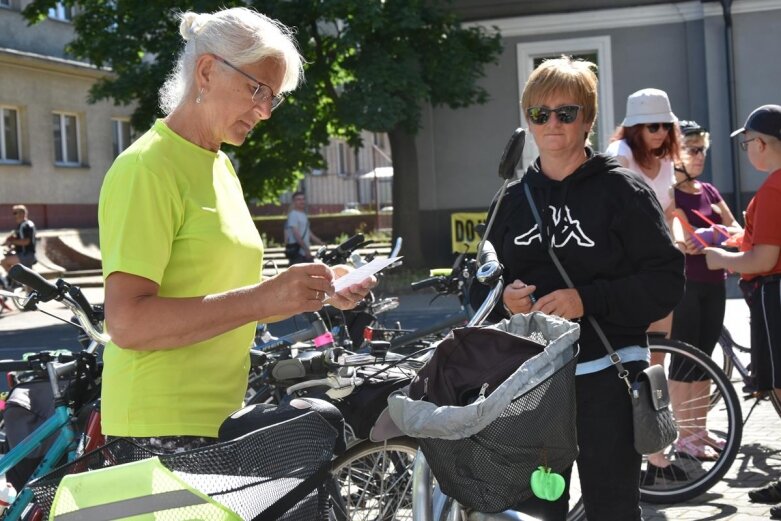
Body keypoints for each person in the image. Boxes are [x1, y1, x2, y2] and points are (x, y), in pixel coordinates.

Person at [98, 7, 374, 454]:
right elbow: (127, 323)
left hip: (219, 418)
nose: (265, 111)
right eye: (257, 89)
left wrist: (309, 292)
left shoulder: (220, 165)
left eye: (274, 96)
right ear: (206, 71)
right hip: (158, 427)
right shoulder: (146, 168)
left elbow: (230, 300)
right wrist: (263, 298)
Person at [481, 56, 684, 520]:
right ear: (528, 120)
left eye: (566, 112)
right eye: (540, 113)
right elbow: (478, 288)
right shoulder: (510, 202)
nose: (552, 123)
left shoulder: (624, 192)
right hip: (533, 384)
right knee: (534, 512)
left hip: (608, 377)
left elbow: (666, 281)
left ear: (588, 119)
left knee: (611, 508)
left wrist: (586, 299)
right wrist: (502, 301)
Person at [704, 104, 781, 515]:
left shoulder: (773, 188)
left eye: (748, 142)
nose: (748, 150)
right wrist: (738, 239)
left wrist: (721, 258)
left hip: (774, 297)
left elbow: (764, 261)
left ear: (764, 144)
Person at [606, 87, 686, 474]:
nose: (659, 132)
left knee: (658, 360)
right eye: (651, 125)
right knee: (627, 362)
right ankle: (630, 449)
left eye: (665, 125)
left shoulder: (666, 162)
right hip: (624, 272)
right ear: (633, 128)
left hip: (656, 267)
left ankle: (653, 447)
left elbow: (668, 211)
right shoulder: (618, 158)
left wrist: (679, 240)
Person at [668, 120, 742, 460]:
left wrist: (718, 236)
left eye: (703, 151)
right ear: (676, 154)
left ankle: (700, 431)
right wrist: (713, 235)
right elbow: (679, 235)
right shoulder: (670, 192)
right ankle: (684, 436)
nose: (700, 157)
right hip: (685, 284)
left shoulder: (709, 191)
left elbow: (737, 230)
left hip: (715, 282)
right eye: (692, 150)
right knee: (685, 360)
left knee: (706, 358)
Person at [285, 190, 324, 264]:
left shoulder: (303, 214)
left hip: (304, 253)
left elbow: (308, 233)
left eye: (303, 199)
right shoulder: (293, 214)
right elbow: (296, 234)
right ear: (294, 202)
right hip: (297, 253)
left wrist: (320, 242)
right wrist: (306, 250)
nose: (302, 201)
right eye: (298, 199)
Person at [1, 205, 37, 275]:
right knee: (29, 279)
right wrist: (12, 247)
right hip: (23, 254)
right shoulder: (20, 225)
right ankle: (19, 281)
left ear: (22, 213)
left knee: (3, 262)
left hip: (27, 255)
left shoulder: (27, 225)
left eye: (15, 213)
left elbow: (26, 242)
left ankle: (17, 281)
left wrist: (12, 241)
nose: (14, 215)